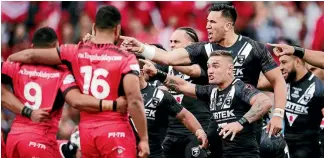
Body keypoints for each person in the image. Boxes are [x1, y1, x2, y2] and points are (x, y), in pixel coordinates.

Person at [120, 3, 286, 137]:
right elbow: (168, 58)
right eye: (206, 21)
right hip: (216, 122)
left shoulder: (254, 48)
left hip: (248, 124)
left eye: (212, 22)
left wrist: (278, 114)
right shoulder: (204, 49)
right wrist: (141, 47)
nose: (207, 26)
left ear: (228, 25)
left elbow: (278, 80)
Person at [7, 5, 149, 158]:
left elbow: (31, 56)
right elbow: (134, 99)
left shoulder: (74, 51)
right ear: (117, 30)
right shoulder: (126, 59)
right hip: (115, 129)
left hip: (86, 133)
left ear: (94, 28)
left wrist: (10, 60)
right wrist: (144, 138)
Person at [141, 50, 272, 158]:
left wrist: (240, 123)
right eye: (208, 66)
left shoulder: (240, 88)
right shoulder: (211, 91)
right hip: (221, 153)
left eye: (215, 66)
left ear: (230, 69)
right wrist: (158, 73)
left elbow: (264, 102)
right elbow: (183, 85)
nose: (210, 70)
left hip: (245, 154)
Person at [137, 55, 208, 158]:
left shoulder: (159, 94)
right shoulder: (119, 95)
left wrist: (199, 131)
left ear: (141, 71)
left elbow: (184, 115)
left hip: (153, 152)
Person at [279, 54, 324, 158]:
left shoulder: (319, 89)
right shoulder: (284, 82)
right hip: (287, 146)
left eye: (314, 69)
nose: (312, 73)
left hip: (310, 150)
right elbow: (258, 83)